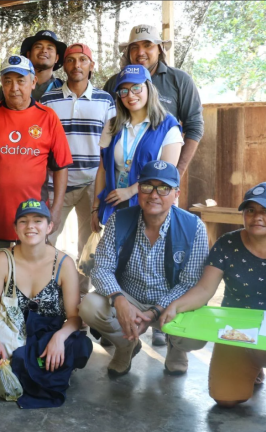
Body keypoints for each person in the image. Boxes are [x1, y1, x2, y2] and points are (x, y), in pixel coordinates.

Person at [80, 161, 208, 377]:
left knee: (196, 334)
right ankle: (126, 345)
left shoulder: (194, 227)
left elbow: (190, 283)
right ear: (138, 189)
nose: (154, 195)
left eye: (164, 188)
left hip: (171, 302)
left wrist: (154, 312)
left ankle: (176, 346)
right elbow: (101, 268)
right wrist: (119, 299)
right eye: (147, 186)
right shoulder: (119, 220)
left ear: (176, 193)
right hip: (129, 297)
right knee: (89, 307)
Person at [0, 199, 88, 393]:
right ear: (15, 228)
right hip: (8, 332)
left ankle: (0, 372)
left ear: (49, 226)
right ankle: (43, 372)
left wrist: (59, 338)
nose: (30, 226)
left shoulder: (64, 263)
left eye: (38, 221)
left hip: (45, 337)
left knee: (82, 346)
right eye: (23, 221)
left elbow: (74, 317)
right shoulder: (3, 259)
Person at [159, 182, 266, 407]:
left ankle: (256, 364)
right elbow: (205, 289)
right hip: (238, 333)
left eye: (265, 211)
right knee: (225, 398)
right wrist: (176, 306)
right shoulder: (228, 243)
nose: (257, 217)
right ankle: (251, 367)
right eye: (251, 210)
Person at [0, 55, 72, 276]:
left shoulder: (48, 117)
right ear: (1, 84)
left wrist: (57, 209)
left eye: (21, 80)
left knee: (31, 280)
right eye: (8, 81)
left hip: (33, 219)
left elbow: (61, 167)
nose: (14, 88)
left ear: (33, 83)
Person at [92, 66, 184, 322]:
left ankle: (158, 319)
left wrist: (132, 190)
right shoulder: (112, 125)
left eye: (136, 88)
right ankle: (117, 321)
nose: (130, 95)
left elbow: (168, 172)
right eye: (123, 90)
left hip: (154, 206)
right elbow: (102, 168)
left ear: (148, 88)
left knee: (153, 263)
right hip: (115, 206)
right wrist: (94, 206)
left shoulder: (168, 126)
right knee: (116, 262)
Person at [40, 43, 116, 294]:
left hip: (92, 184)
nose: (77, 65)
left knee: (89, 243)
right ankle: (45, 292)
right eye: (71, 60)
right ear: (65, 65)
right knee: (46, 238)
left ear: (91, 66)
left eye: (83, 60)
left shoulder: (106, 100)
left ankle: (81, 297)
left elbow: (110, 144)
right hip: (56, 183)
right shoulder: (49, 99)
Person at [103, 24, 203, 176]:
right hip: (119, 180)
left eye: (148, 45)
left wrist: (175, 175)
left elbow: (194, 126)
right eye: (134, 47)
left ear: (160, 48)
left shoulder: (180, 80)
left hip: (160, 181)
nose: (140, 52)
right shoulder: (114, 83)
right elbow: (106, 128)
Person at [0, 30, 67, 103]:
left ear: (57, 58)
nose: (44, 51)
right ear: (28, 55)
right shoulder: (11, 87)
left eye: (49, 48)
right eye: (38, 47)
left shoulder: (65, 88)